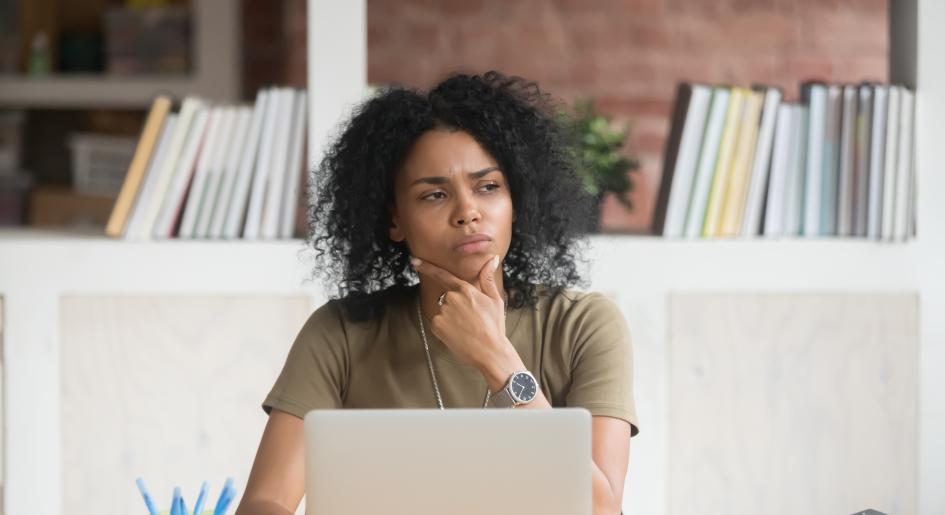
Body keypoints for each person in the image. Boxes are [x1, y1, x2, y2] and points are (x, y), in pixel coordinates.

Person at [235, 71, 639, 515]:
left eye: (488, 187)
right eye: (434, 195)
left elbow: (602, 509)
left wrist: (497, 359)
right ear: (395, 220)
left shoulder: (584, 326)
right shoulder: (341, 333)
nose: (467, 212)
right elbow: (264, 502)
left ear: (516, 203)